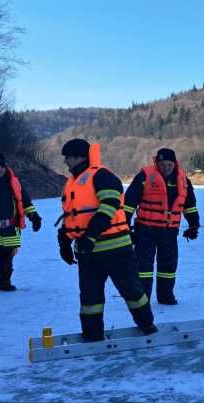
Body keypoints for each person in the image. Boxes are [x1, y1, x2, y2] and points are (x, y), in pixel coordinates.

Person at [56, 138, 157, 341]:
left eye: (68, 157)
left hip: (116, 250)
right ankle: (92, 335)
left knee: (132, 292)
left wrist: (91, 235)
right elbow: (73, 216)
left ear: (80, 157)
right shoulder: (72, 183)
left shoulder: (102, 176)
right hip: (87, 253)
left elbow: (109, 206)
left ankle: (147, 326)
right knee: (90, 298)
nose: (65, 162)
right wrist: (65, 242)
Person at [123, 148, 199, 305]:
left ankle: (166, 296)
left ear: (175, 164)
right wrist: (125, 227)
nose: (165, 168)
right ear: (157, 163)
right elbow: (129, 203)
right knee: (143, 266)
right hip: (145, 230)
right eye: (162, 164)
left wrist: (193, 225)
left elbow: (190, 206)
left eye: (169, 165)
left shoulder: (183, 180)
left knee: (168, 266)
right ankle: (142, 299)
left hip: (170, 231)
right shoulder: (145, 177)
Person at [0, 153, 42, 291]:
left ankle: (4, 282)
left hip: (11, 228)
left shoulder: (14, 182)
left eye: (0, 165)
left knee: (8, 256)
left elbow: (25, 202)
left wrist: (34, 216)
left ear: (4, 166)